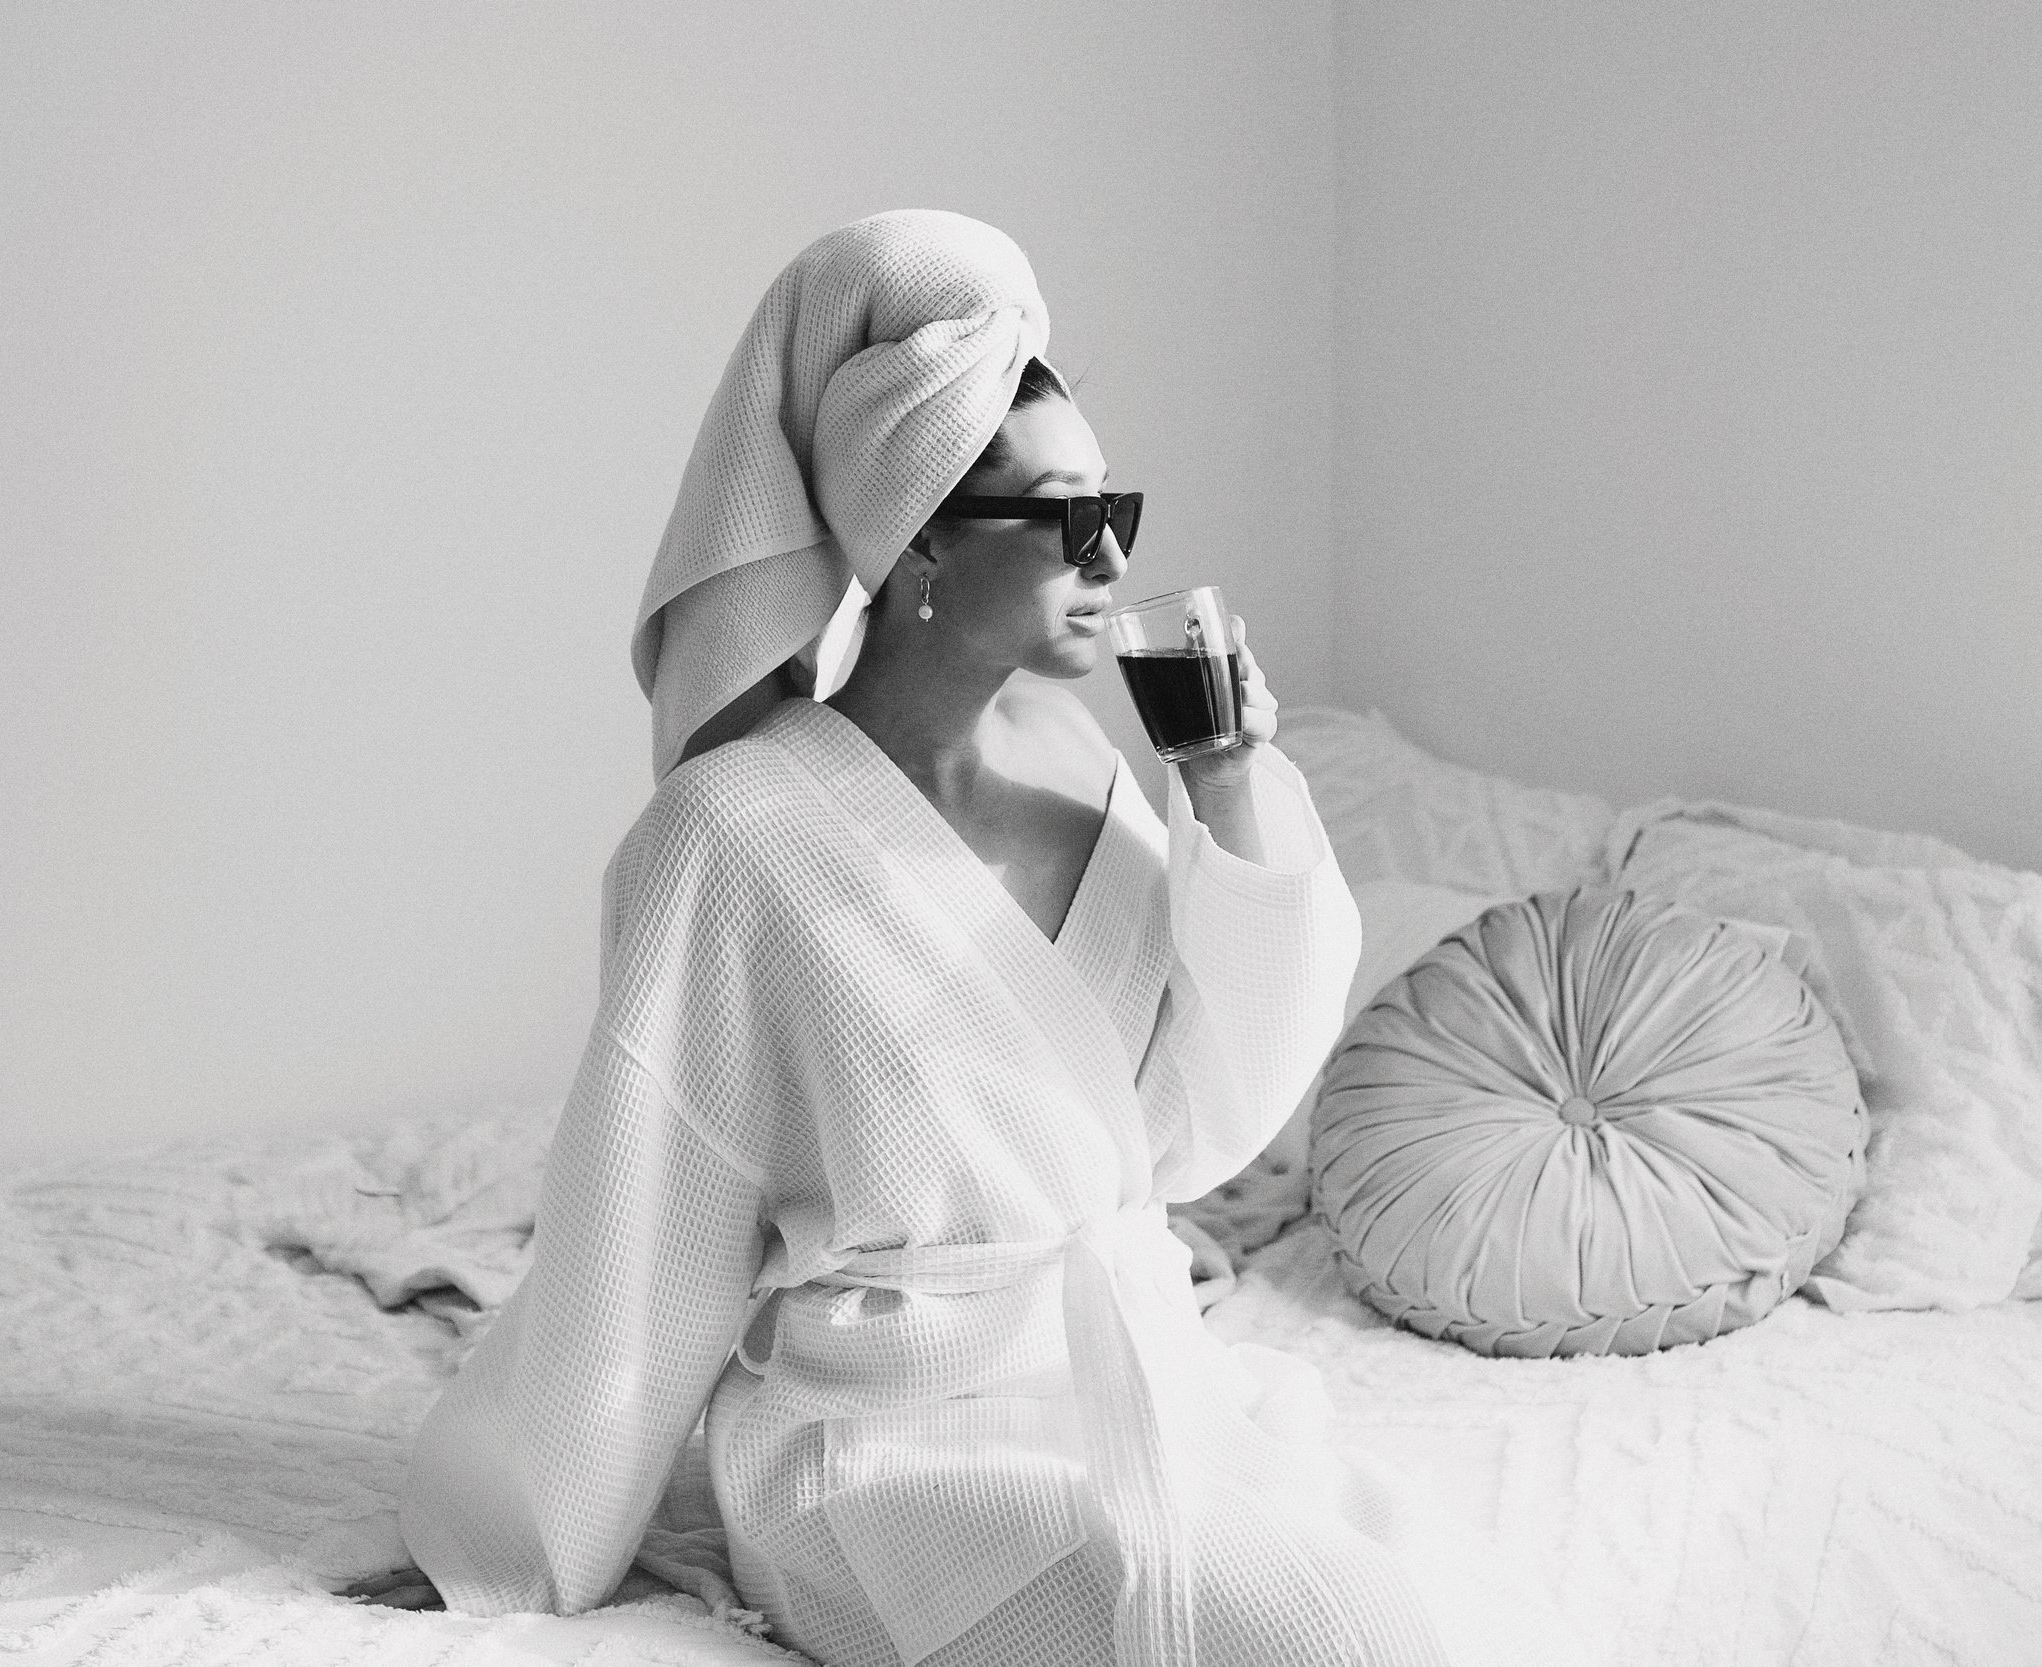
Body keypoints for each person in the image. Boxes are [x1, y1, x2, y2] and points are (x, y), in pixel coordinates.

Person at [347, 211, 1500, 1667]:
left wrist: (1229, 784)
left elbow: (1215, 1115)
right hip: (886, 1441)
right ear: (923, 542)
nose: (1110, 555)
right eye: (1065, 518)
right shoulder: (734, 829)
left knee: (1398, 1601)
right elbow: (641, 1226)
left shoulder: (1080, 757)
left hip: (1126, 1378)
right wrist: (514, 1545)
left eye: (1119, 509)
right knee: (1339, 1635)